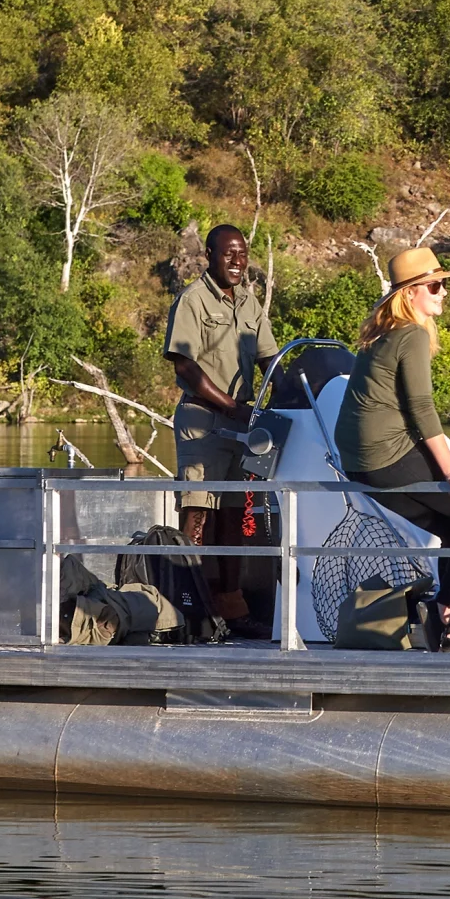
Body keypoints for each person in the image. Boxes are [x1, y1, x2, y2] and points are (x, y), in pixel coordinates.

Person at [337, 245, 450, 650]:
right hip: (385, 454)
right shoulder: (410, 333)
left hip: (361, 462)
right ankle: (445, 608)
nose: (443, 291)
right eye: (435, 285)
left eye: (443, 284)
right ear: (410, 293)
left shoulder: (386, 333)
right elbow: (420, 407)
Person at [164, 224, 278, 628]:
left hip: (244, 423)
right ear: (209, 254)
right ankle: (188, 607)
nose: (236, 261)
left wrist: (294, 396)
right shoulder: (192, 301)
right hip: (203, 419)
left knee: (233, 515)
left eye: (242, 253)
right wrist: (231, 408)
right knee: (197, 510)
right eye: (228, 253)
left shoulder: (250, 303)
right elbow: (185, 365)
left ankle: (231, 607)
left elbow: (270, 361)